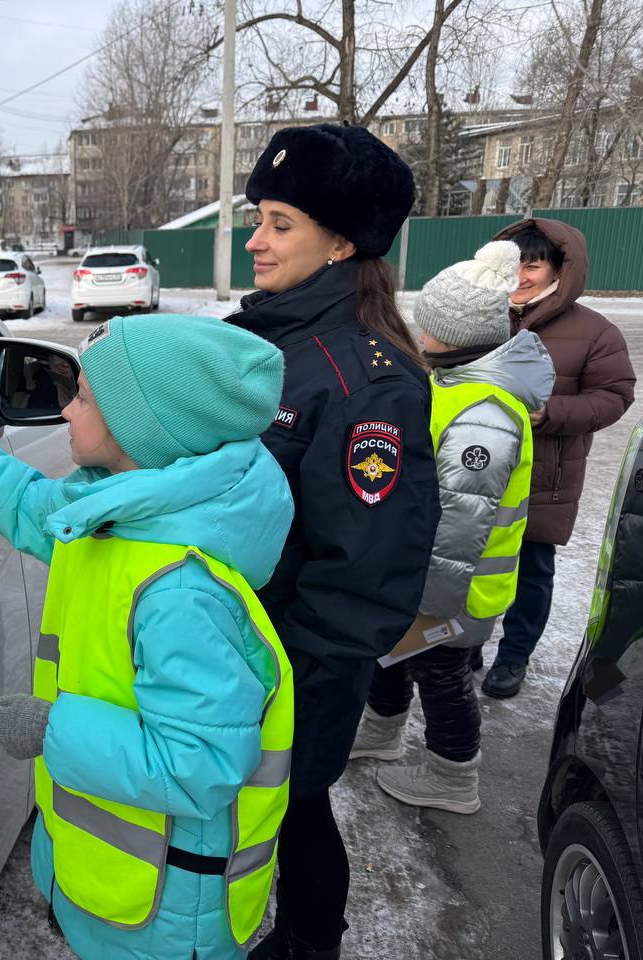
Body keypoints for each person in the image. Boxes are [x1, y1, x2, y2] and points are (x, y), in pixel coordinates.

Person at [0, 314, 296, 959]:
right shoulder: (118, 518)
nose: (65, 411)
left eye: (85, 398)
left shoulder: (181, 595)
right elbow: (21, 500)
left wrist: (50, 730)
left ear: (144, 428)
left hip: (170, 918)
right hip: (121, 886)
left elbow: (200, 766)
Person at [228, 124, 441, 960]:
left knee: (294, 806)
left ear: (344, 240)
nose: (256, 239)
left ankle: (310, 942)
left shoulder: (367, 376)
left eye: (282, 223)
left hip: (295, 661)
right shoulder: (263, 338)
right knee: (260, 809)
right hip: (239, 640)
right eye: (261, 218)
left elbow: (367, 560)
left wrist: (298, 676)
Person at [350, 241, 554, 815]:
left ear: (449, 334)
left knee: (441, 677)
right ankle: (382, 731)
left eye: (426, 323)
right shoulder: (454, 384)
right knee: (392, 653)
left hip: (453, 590)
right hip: (423, 577)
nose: (416, 330)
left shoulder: (483, 414)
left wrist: (433, 607)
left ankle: (453, 774)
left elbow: (464, 522)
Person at [478, 219, 636, 698]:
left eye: (534, 264)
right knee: (470, 562)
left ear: (559, 270)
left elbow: (614, 395)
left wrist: (550, 413)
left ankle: (513, 657)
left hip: (543, 477)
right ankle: (464, 645)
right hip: (477, 467)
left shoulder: (594, 331)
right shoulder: (481, 313)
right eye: (514, 264)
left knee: (530, 571)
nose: (521, 275)